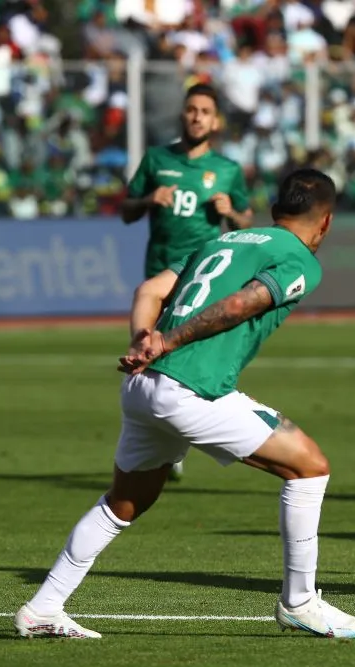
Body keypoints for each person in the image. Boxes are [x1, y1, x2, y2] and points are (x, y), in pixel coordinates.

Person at [14, 169, 355, 640]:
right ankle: (300, 601)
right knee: (310, 467)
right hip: (191, 390)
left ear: (272, 210)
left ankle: (44, 606)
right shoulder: (299, 258)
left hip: (144, 389)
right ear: (325, 222)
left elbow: (148, 291)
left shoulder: (225, 241)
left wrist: (145, 342)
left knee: (124, 502)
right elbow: (244, 304)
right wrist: (169, 341)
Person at [121, 82, 253, 482]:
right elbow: (126, 210)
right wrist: (147, 200)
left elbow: (246, 222)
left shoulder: (228, 170)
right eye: (191, 109)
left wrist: (231, 211)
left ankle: (175, 438)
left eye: (205, 111)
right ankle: (162, 442)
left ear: (216, 121)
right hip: (160, 270)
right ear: (183, 114)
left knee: (190, 356)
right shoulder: (157, 159)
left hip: (204, 276)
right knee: (150, 350)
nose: (197, 117)